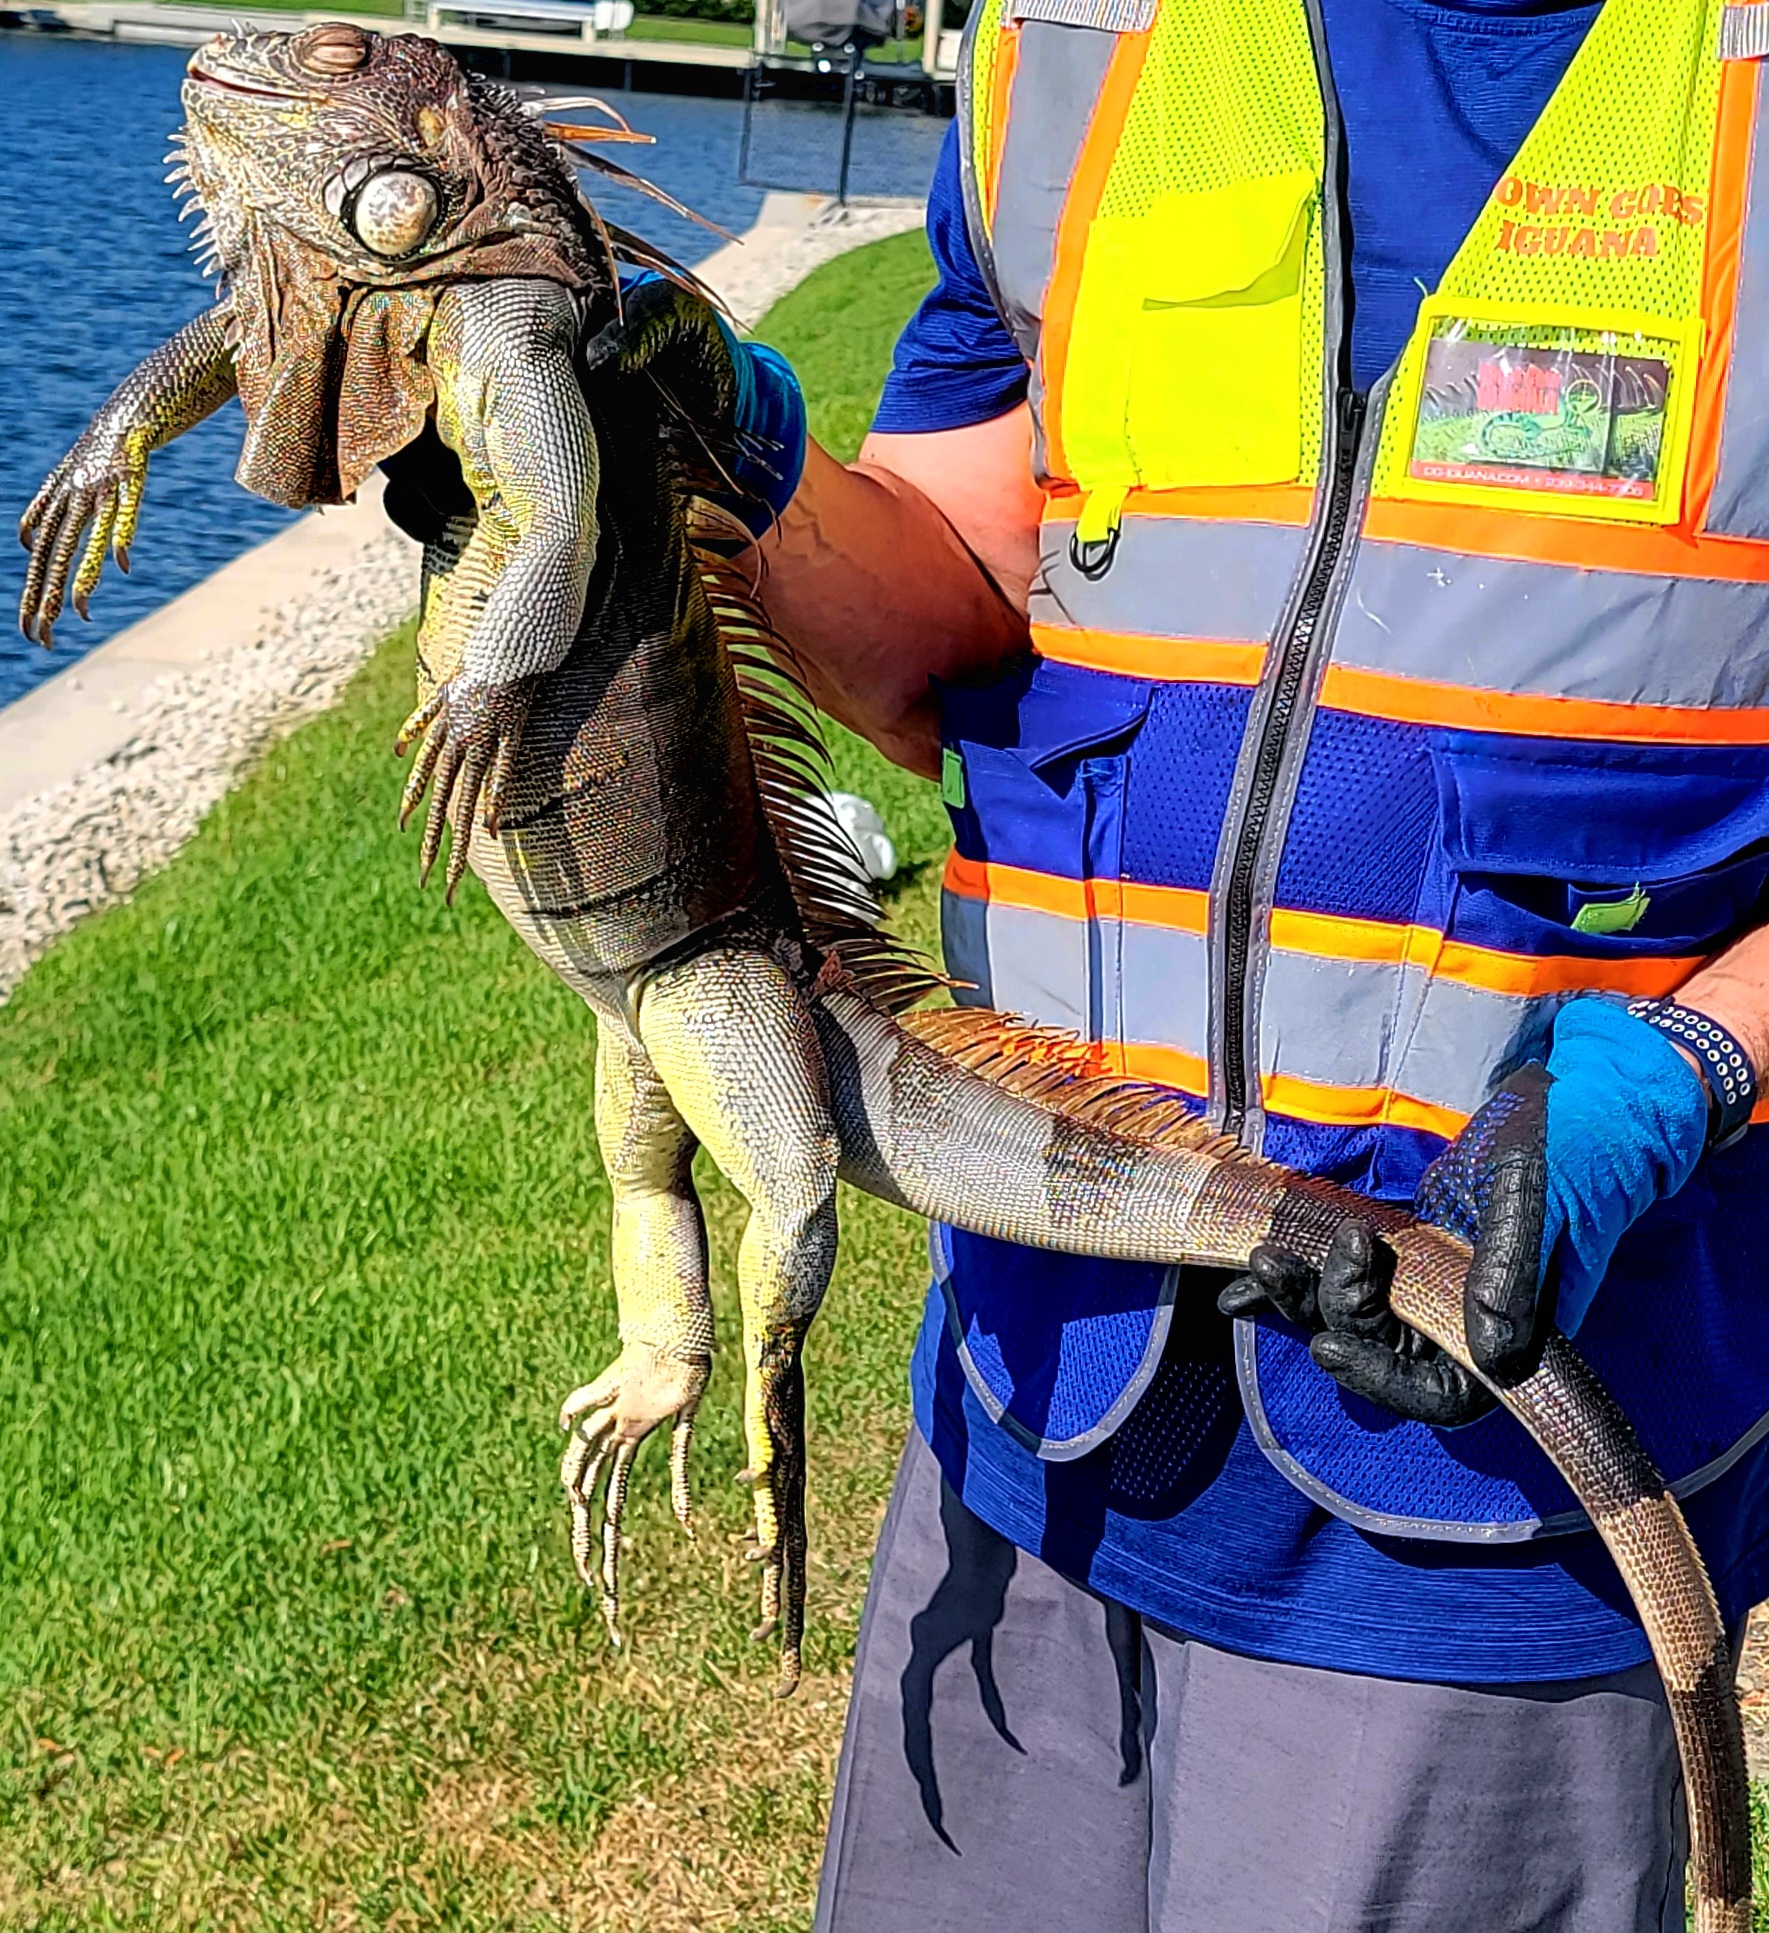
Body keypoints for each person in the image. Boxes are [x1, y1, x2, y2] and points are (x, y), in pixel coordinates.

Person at [724, 0, 1769, 1923]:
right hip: (1039, 1388)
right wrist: (722, 445)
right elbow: (940, 620)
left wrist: (1683, 1067)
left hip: (1495, 1483)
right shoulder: (1084, 45)